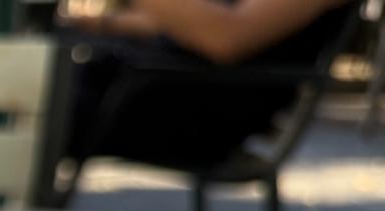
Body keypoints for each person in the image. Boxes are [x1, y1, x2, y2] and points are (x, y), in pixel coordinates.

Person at [57, 0, 356, 172]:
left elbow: (225, 37)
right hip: (151, 83)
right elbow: (188, 24)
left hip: (195, 111)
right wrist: (99, 23)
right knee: (44, 83)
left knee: (44, 109)